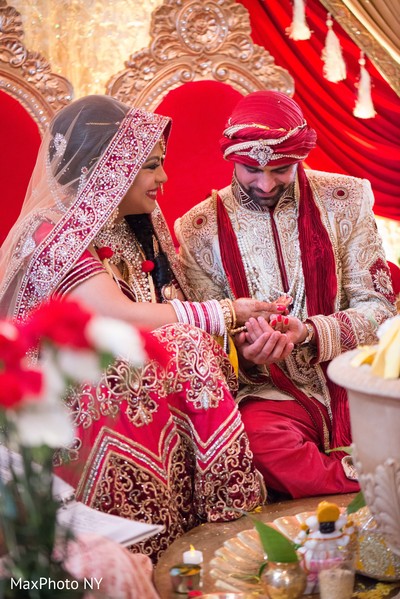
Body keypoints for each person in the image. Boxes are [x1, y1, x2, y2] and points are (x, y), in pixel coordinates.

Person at [0, 95, 286, 562]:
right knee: (179, 345)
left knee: (183, 345)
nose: (164, 178)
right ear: (105, 167)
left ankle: (195, 534)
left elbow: (167, 308)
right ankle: (155, 543)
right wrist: (226, 312)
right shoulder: (54, 231)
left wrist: (237, 336)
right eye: (150, 166)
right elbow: (122, 316)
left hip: (120, 377)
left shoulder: (129, 227)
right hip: (58, 395)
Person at [175, 90, 397, 500]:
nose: (265, 183)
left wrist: (309, 331)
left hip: (355, 374)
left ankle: (345, 477)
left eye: (281, 170)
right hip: (272, 390)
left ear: (299, 159)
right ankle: (375, 477)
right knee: (261, 445)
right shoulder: (198, 229)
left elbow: (381, 311)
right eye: (250, 169)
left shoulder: (345, 200)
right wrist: (243, 347)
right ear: (231, 159)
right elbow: (206, 339)